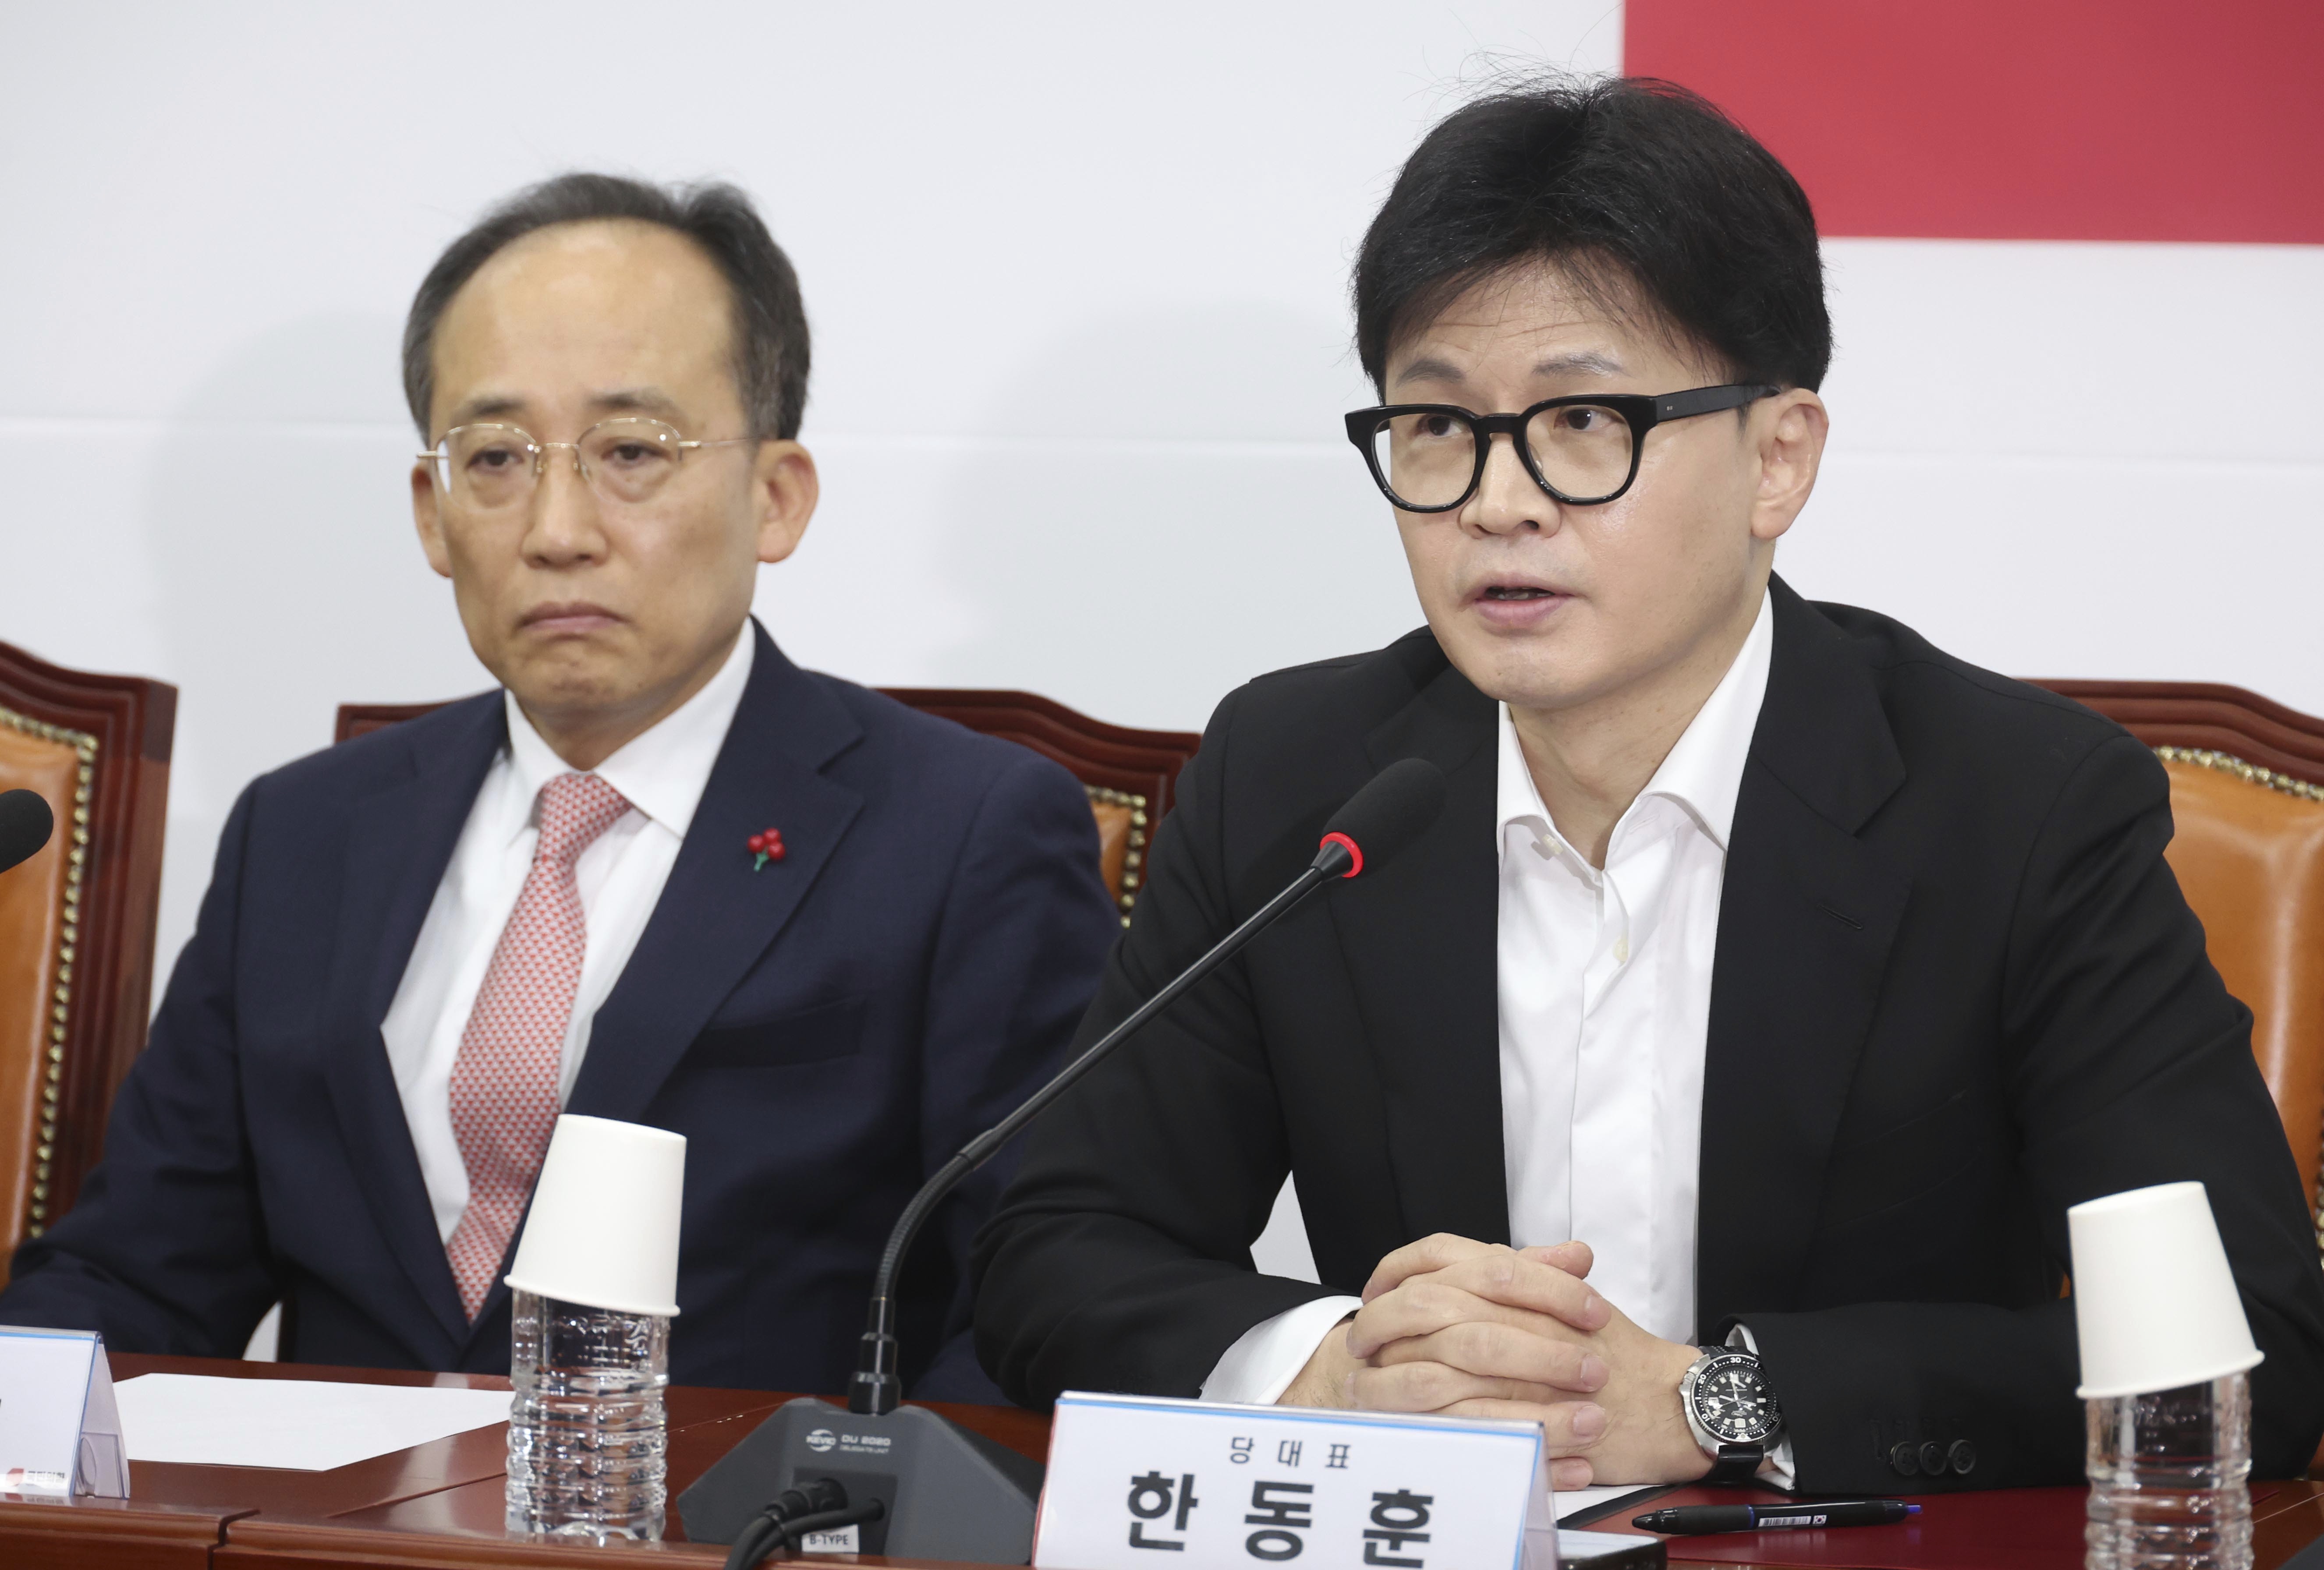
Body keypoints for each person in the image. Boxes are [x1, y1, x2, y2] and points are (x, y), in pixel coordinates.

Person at [973, 77, 2324, 1491]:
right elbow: (1052, 1247)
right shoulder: (1296, 783)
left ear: (1778, 459)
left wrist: (1719, 1401)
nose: (1499, 501)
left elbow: (2237, 1349)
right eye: (1437, 427)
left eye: (1585, 422)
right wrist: (1332, 1369)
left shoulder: (2019, 808)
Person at [1, 174, 1118, 1398]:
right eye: (496, 458)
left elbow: (1031, 1312)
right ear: (433, 515)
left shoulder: (964, 837)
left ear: (777, 496)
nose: (557, 528)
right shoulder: (305, 833)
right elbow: (140, 1278)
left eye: (632, 452)